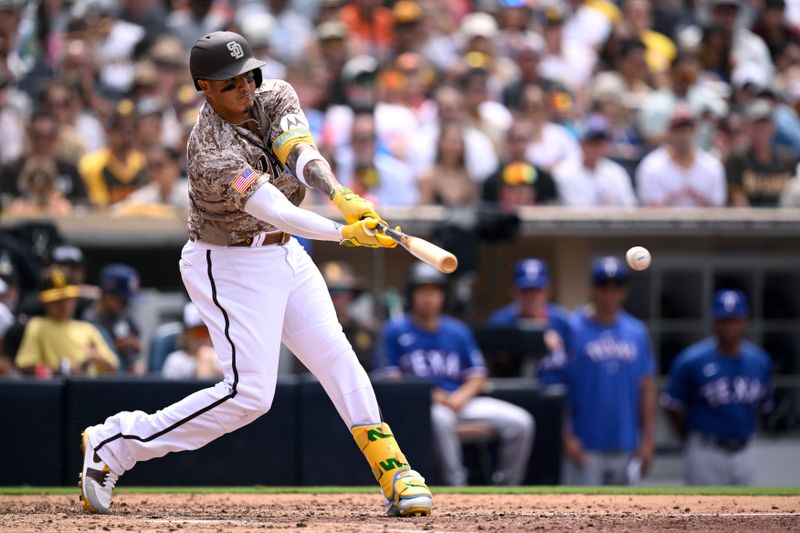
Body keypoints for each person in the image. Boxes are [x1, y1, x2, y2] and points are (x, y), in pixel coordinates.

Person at [79, 31, 432, 518]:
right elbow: (276, 211)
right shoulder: (208, 151)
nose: (244, 87)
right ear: (204, 86)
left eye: (248, 75)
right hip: (227, 262)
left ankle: (394, 471)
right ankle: (117, 441)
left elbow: (299, 153)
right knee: (250, 395)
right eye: (229, 83)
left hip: (285, 256)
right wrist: (344, 234)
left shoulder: (276, 93)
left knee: (337, 357)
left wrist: (341, 195)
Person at [380, 262, 535, 486]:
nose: (428, 298)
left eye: (434, 291)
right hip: (423, 407)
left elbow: (477, 375)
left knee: (521, 422)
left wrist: (461, 396)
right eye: (422, 291)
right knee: (441, 419)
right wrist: (435, 396)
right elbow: (392, 377)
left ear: (443, 296)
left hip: (461, 402)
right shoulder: (395, 330)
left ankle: (508, 486)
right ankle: (457, 486)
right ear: (411, 295)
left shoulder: (458, 331)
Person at [540, 257, 655, 485]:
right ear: (592, 288)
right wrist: (566, 437)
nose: (610, 293)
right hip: (584, 445)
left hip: (626, 444)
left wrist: (648, 440)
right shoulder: (572, 328)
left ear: (624, 290)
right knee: (581, 517)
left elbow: (647, 388)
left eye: (617, 286)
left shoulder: (637, 332)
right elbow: (556, 387)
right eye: (603, 285)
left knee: (628, 517)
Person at [661, 290, 774, 486]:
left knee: (747, 513)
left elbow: (762, 408)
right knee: (703, 514)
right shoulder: (691, 360)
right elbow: (672, 406)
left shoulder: (760, 361)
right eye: (724, 320)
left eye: (734, 319)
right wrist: (689, 437)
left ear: (745, 320)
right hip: (706, 450)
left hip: (745, 450)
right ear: (714, 320)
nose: (729, 326)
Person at [14, 266, 118, 377]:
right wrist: (61, 370)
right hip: (57, 389)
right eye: (56, 300)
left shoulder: (87, 328)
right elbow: (24, 365)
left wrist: (97, 358)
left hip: (89, 388)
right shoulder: (38, 325)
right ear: (44, 302)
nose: (63, 305)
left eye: (68, 299)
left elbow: (113, 367)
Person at [636, 106, 727, 207]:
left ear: (694, 131)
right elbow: (650, 211)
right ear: (669, 131)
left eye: (687, 129)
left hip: (702, 223)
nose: (683, 135)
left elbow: (718, 210)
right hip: (666, 222)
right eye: (678, 129)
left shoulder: (712, 166)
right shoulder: (651, 166)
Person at [553, 115, 639, 207]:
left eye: (601, 143)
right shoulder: (565, 173)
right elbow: (576, 214)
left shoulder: (616, 172)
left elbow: (630, 207)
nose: (597, 148)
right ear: (582, 144)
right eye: (592, 143)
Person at [725, 99, 798, 207]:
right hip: (748, 222)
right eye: (756, 125)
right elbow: (738, 202)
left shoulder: (788, 158)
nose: (761, 131)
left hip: (783, 220)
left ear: (773, 127)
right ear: (747, 128)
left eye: (765, 125)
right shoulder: (737, 158)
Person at [489, 258, 571, 352]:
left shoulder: (561, 320)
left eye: (537, 290)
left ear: (548, 291)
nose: (532, 296)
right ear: (513, 292)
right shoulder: (500, 322)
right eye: (525, 290)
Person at [81, 264, 143, 375]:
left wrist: (137, 360)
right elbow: (88, 356)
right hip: (103, 381)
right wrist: (117, 346)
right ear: (106, 294)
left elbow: (136, 344)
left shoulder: (124, 315)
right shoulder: (89, 320)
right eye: (122, 299)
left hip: (128, 378)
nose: (126, 304)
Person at [320, 261, 376, 372]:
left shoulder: (366, 331)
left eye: (340, 291)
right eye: (330, 291)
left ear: (351, 295)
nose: (335, 298)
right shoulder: (306, 331)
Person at [162, 302, 223, 380]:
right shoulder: (175, 361)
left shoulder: (222, 358)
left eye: (207, 332)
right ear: (186, 335)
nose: (203, 337)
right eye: (198, 332)